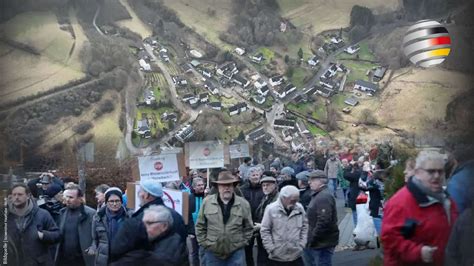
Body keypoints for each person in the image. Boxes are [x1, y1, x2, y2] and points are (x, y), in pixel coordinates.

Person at [381, 151, 458, 266]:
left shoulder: (445, 198)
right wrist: (418, 252)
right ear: (417, 173)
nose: (436, 176)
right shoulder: (400, 202)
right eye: (431, 171)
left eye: (440, 171)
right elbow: (389, 238)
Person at [110, 180, 187, 262]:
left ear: (146, 195)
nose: (138, 195)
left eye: (140, 192)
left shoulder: (142, 218)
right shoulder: (177, 215)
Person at [195, 171, 253, 265]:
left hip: (236, 252)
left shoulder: (243, 204)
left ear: (233, 187)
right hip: (212, 252)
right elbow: (200, 225)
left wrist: (242, 243)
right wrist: (205, 243)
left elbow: (249, 227)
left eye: (229, 185)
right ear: (218, 187)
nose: (226, 188)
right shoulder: (207, 202)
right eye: (223, 185)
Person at [110, 205, 188, 266]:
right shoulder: (150, 242)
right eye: (143, 223)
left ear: (164, 226)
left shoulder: (170, 249)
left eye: (149, 223)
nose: (143, 227)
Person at [6, 183, 61, 266]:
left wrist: (43, 235)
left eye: (20, 194)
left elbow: (57, 235)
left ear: (28, 196)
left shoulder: (42, 214)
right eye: (14, 195)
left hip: (37, 262)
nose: (16, 197)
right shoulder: (5, 216)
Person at [260, 185, 308, 265]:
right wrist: (271, 248)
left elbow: (305, 226)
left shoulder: (299, 207)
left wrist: (302, 244)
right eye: (292, 200)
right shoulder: (271, 209)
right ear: (283, 198)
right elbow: (265, 230)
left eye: (297, 200)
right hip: (277, 256)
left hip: (296, 254)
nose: (295, 203)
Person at [87, 187, 131, 266]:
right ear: (106, 202)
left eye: (117, 201)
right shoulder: (98, 217)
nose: (114, 204)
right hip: (104, 259)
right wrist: (93, 248)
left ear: (121, 201)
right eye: (111, 201)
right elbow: (95, 238)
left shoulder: (130, 216)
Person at [304, 170, 339, 266]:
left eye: (312, 179)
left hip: (321, 243)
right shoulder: (319, 195)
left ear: (321, 181)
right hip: (320, 242)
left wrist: (312, 238)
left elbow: (324, 221)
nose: (309, 182)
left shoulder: (323, 197)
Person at [55, 184, 95, 266]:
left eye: (71, 197)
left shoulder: (91, 214)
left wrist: (93, 247)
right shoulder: (62, 213)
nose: (67, 200)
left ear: (80, 199)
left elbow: (99, 236)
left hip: (82, 260)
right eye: (66, 197)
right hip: (64, 259)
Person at [239, 167, 264, 266]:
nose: (255, 177)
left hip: (261, 222)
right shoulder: (242, 189)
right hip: (247, 223)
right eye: (253, 175)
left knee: (262, 249)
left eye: (257, 175)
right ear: (248, 177)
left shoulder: (263, 187)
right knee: (247, 250)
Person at [254, 175, 280, 266]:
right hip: (263, 236)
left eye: (268, 185)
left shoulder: (279, 199)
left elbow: (279, 221)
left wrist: (261, 226)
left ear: (274, 186)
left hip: (274, 238)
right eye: (263, 185)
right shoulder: (265, 198)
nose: (265, 187)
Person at [188, 177, 206, 266]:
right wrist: (190, 231)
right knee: (195, 252)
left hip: (207, 230)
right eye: (199, 185)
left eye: (202, 185)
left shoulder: (208, 197)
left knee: (207, 252)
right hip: (194, 230)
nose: (201, 187)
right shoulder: (189, 198)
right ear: (194, 187)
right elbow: (187, 216)